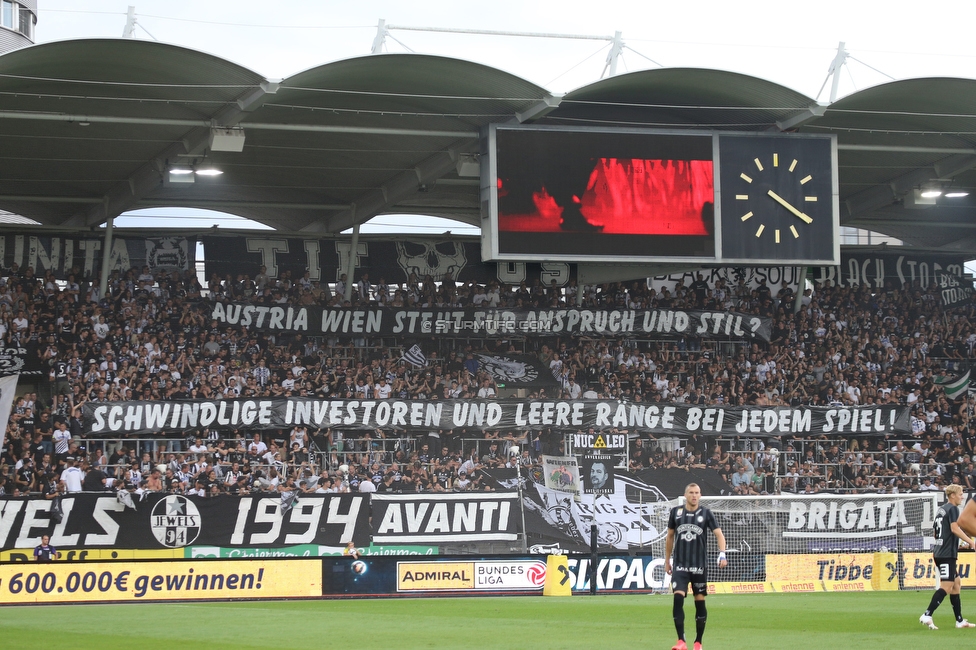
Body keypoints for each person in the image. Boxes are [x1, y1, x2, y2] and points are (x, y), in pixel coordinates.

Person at [665, 483, 727, 650]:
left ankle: (698, 642)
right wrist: (667, 560)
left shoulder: (706, 513)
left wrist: (722, 554)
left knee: (699, 602)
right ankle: (681, 641)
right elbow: (670, 536)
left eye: (697, 493)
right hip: (680, 566)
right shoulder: (676, 513)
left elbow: (719, 534)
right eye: (691, 492)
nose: (694, 495)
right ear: (685, 495)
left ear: (700, 495)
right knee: (678, 598)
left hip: (699, 566)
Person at [920, 485, 976, 629]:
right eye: (960, 494)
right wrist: (970, 541)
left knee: (956, 583)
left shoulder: (941, 510)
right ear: (952, 495)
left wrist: (957, 546)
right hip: (946, 555)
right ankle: (927, 614)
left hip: (941, 552)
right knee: (947, 585)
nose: (962, 497)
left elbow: (936, 534)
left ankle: (960, 621)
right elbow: (954, 528)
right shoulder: (953, 509)